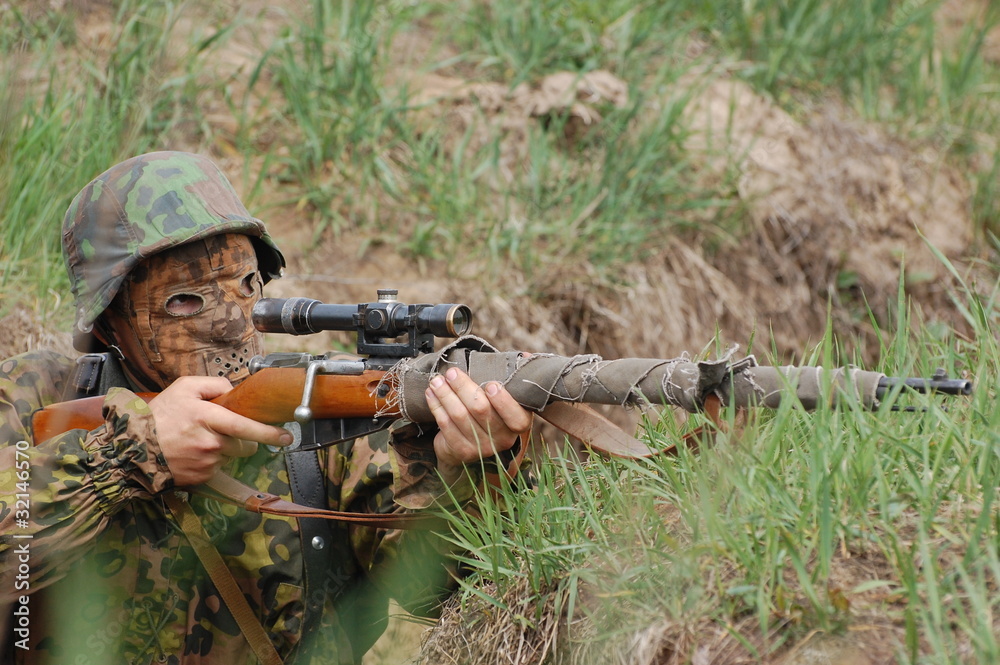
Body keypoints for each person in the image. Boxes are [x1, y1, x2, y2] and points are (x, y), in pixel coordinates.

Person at [0, 151, 533, 664]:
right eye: (184, 300)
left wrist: (470, 476)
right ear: (107, 322)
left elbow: (442, 595)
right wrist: (128, 453)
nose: (233, 324)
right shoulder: (36, 395)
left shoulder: (321, 406)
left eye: (246, 285)